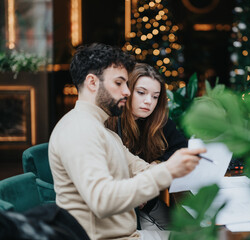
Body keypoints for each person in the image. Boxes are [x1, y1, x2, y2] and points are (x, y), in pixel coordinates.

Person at [48, 43, 205, 240]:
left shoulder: (100, 129)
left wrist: (176, 164)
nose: (127, 92)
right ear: (92, 83)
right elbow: (102, 201)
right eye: (119, 83)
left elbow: (140, 168)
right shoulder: (80, 129)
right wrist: (167, 170)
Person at [106, 63, 188, 230]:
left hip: (148, 204)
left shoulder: (156, 121)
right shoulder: (109, 122)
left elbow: (182, 148)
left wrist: (156, 164)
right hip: (116, 211)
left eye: (155, 96)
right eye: (141, 93)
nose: (149, 101)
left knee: (187, 228)